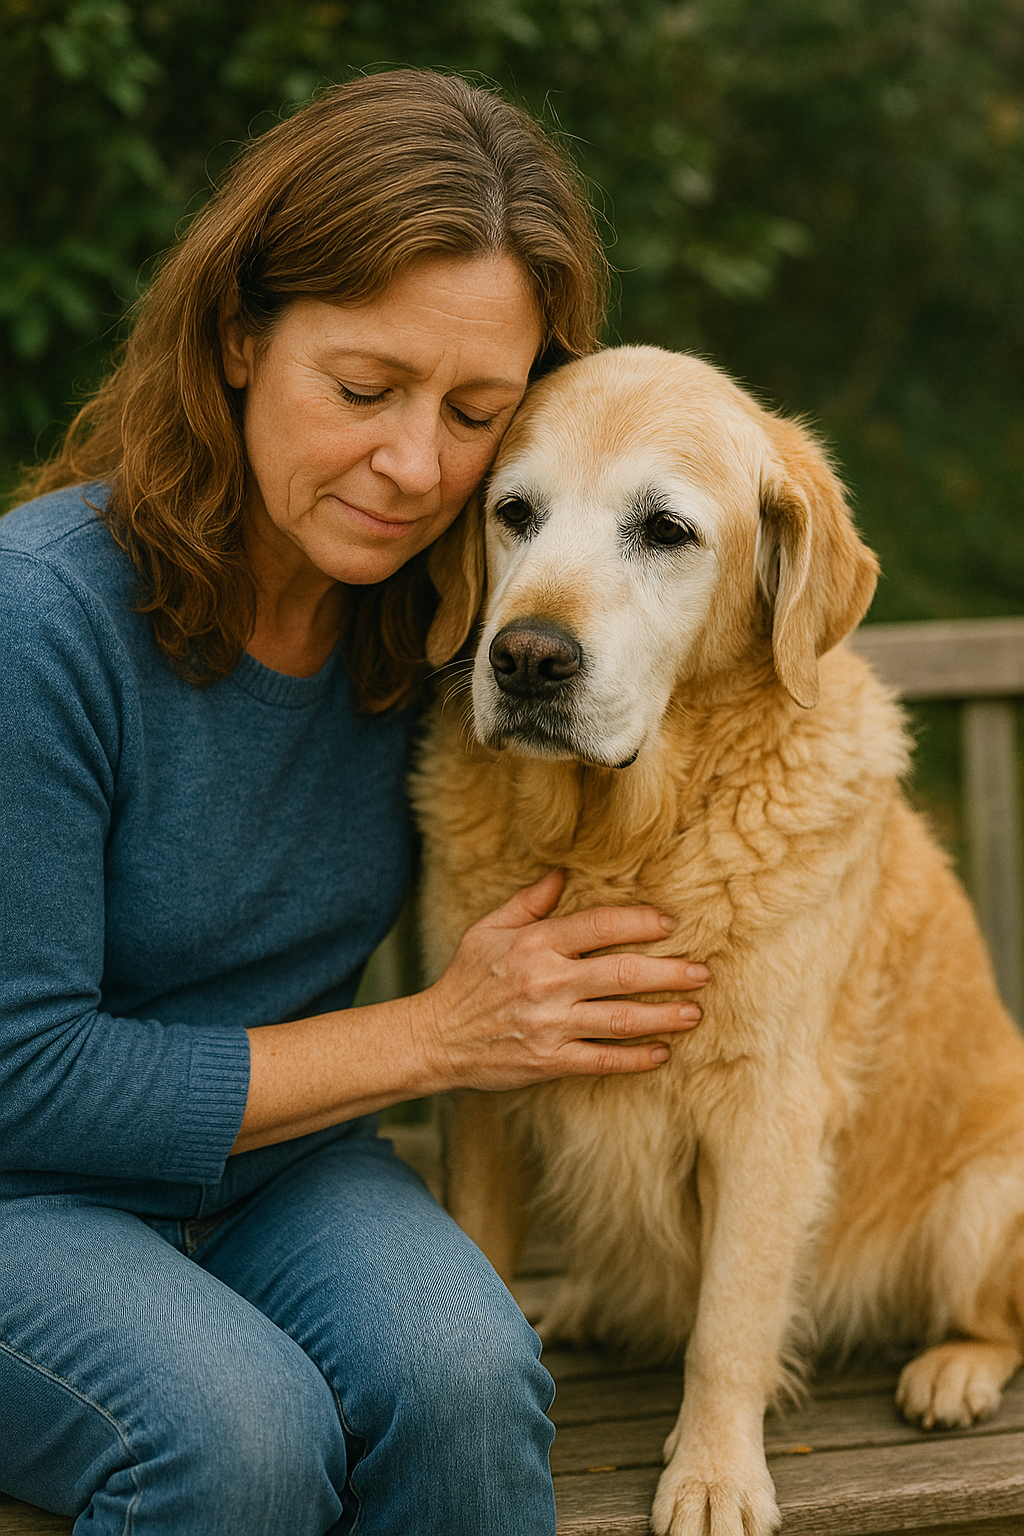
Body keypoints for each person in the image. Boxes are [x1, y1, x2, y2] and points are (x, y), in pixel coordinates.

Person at [0, 70, 710, 1535]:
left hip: (281, 1171)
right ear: (241, 335)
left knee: (468, 1376)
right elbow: (25, 1074)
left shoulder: (445, 621)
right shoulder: (39, 623)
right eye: (363, 389)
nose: (413, 466)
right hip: (22, 1188)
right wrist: (443, 1035)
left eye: (476, 413)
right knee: (235, 1434)